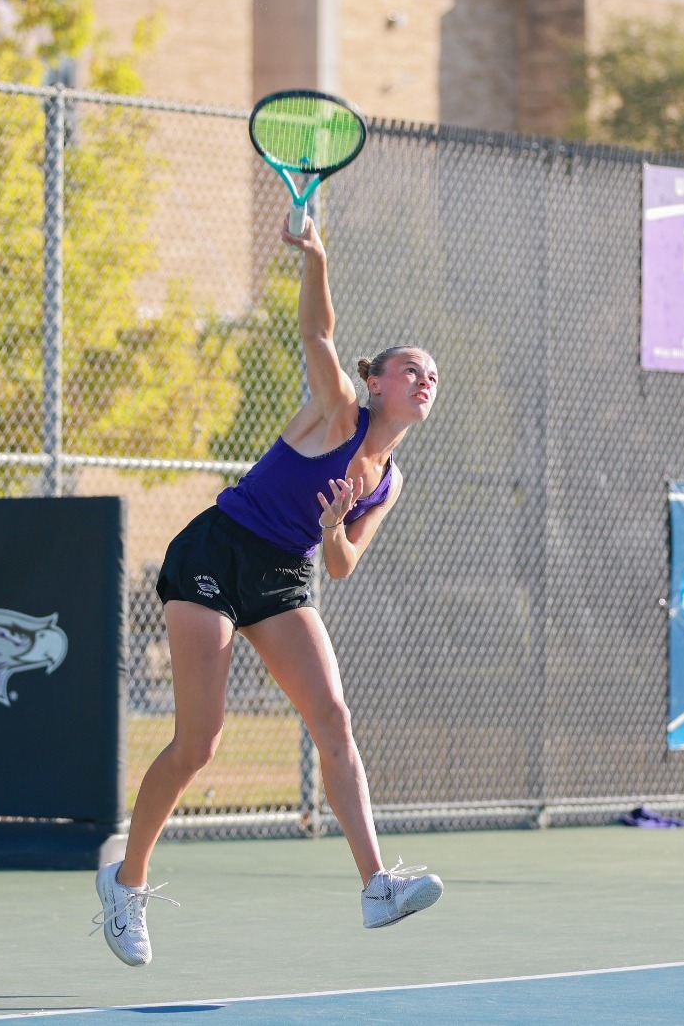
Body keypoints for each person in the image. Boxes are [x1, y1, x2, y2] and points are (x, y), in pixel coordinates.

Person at [91, 215, 443, 967]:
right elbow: (318, 334)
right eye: (410, 368)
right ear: (376, 380)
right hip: (218, 550)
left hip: (287, 570)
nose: (424, 379)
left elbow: (342, 564)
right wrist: (315, 255)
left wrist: (335, 524)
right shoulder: (337, 410)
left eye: (432, 375)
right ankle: (125, 883)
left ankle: (376, 883)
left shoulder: (390, 479)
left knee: (333, 716)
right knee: (199, 742)